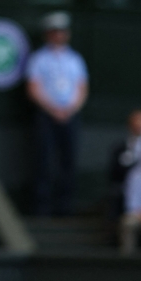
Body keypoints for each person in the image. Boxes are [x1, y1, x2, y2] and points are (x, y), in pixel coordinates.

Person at [26, 11, 89, 216]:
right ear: (48, 34)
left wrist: (69, 109)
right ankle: (41, 207)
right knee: (43, 160)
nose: (59, 36)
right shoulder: (38, 59)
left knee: (68, 161)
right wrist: (53, 109)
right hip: (46, 114)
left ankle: (65, 207)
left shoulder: (75, 60)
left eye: (62, 32)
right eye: (54, 32)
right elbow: (33, 88)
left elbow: (81, 88)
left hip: (70, 116)